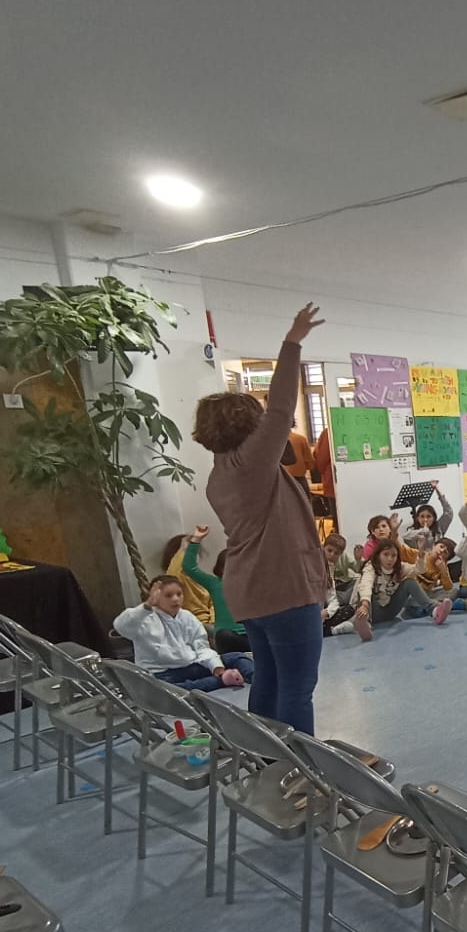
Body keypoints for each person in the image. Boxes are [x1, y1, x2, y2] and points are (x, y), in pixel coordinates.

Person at [194, 303, 327, 734]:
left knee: (269, 676)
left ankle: (265, 755)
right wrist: (292, 342)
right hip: (281, 586)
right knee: (297, 686)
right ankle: (301, 771)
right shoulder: (250, 464)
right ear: (248, 426)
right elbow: (283, 406)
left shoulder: (220, 473)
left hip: (249, 589)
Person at [114, 575, 253, 692]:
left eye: (179, 594)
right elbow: (121, 626)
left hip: (190, 666)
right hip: (162, 674)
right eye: (168, 595)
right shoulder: (143, 618)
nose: (175, 599)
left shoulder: (187, 616)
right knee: (173, 690)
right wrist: (147, 605)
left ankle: (255, 678)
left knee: (237, 657)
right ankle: (222, 681)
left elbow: (201, 646)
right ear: (155, 597)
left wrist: (216, 666)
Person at [177, 525, 249, 653]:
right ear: (221, 568)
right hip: (227, 636)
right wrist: (196, 540)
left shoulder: (250, 583)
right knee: (224, 635)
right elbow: (189, 567)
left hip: (252, 635)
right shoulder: (215, 583)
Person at [357, 540, 451, 626]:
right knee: (362, 591)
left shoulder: (399, 568)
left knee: (409, 582)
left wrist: (421, 556)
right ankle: (365, 623)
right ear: (378, 555)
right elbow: (366, 584)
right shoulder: (371, 567)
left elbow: (418, 570)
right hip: (371, 611)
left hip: (390, 611)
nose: (390, 559)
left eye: (393, 556)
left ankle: (435, 611)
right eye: (386, 554)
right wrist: (365, 605)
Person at [159, 533, 214, 623]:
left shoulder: (202, 578)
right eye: (189, 552)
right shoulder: (175, 579)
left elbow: (215, 603)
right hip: (193, 623)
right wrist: (183, 548)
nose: (194, 555)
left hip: (213, 623)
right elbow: (174, 573)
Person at [402, 482, 453, 553]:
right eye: (422, 516)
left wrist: (437, 490)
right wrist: (422, 531)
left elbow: (449, 512)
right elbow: (404, 537)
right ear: (417, 518)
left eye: (429, 516)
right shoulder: (413, 530)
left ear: (434, 518)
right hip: (421, 561)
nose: (425, 519)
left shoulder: (439, 527)